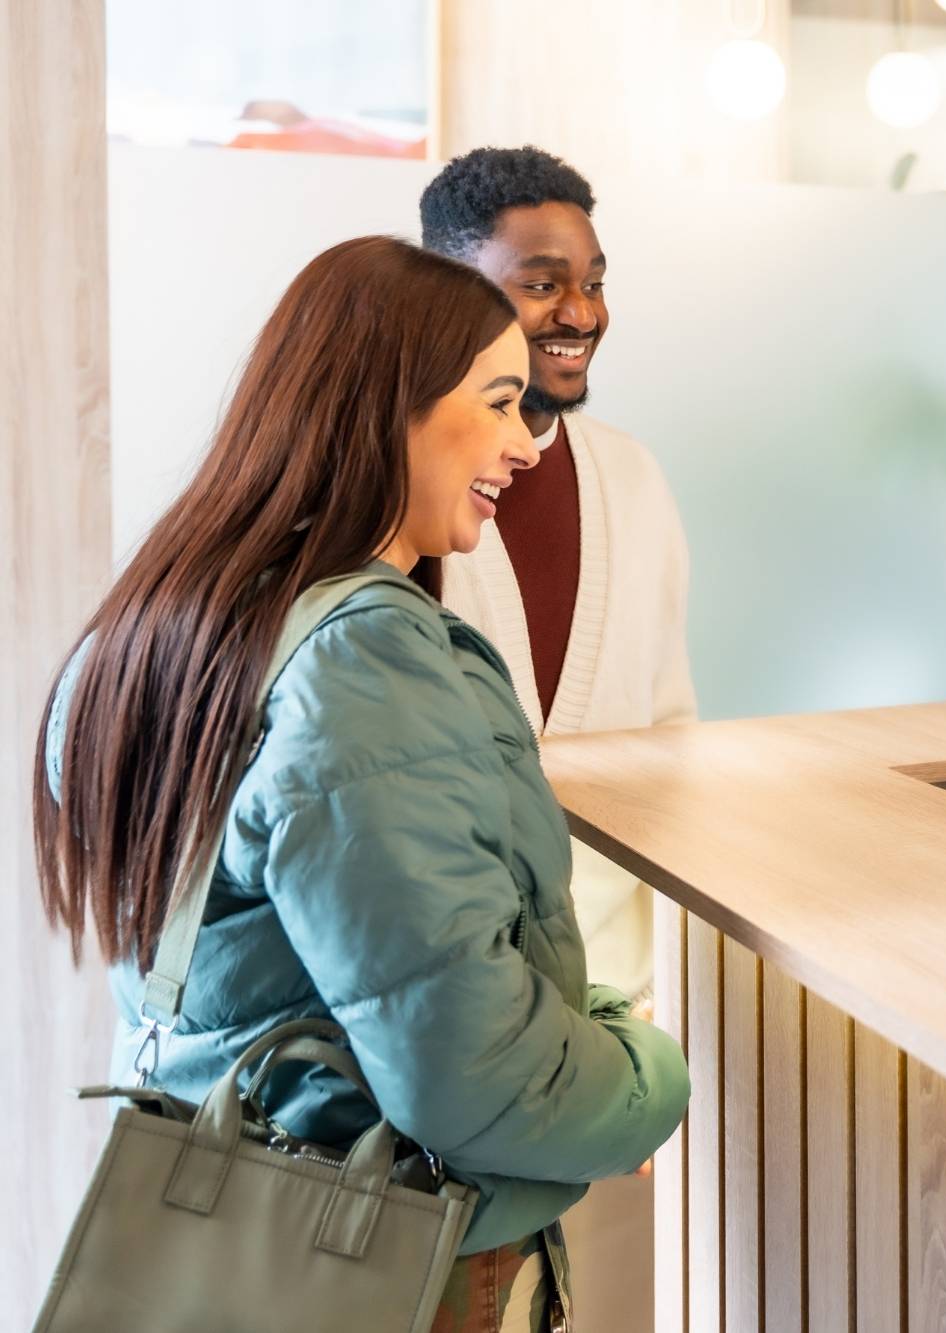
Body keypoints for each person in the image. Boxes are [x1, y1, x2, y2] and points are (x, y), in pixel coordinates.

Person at [34, 236, 690, 1331]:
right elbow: (480, 1082)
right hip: (398, 1264)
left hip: (221, 1232)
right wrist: (644, 1064)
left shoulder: (169, 626)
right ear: (388, 405)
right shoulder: (361, 659)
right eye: (494, 403)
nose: (523, 447)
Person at [419, 142, 695, 1325]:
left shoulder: (630, 480)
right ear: (448, 282)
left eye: (592, 278)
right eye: (541, 280)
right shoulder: (404, 494)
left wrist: (645, 1013)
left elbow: (673, 741)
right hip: (459, 1034)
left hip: (612, 1015)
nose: (578, 311)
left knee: (606, 1302)